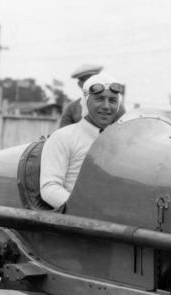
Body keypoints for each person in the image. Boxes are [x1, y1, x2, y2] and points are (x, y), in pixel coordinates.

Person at [40, 73, 123, 209]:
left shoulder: (119, 142)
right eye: (99, 99)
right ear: (85, 102)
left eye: (113, 100)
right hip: (75, 223)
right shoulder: (63, 137)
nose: (107, 106)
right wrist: (85, 210)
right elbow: (49, 187)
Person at [59, 63, 103, 128]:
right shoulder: (72, 108)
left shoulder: (115, 105)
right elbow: (63, 134)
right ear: (80, 84)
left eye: (93, 80)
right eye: (86, 81)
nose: (90, 84)